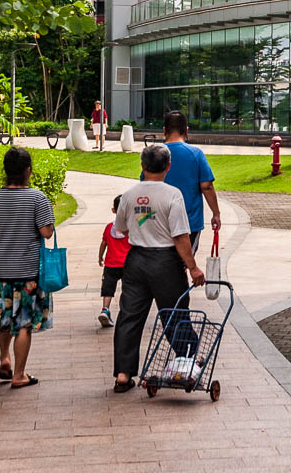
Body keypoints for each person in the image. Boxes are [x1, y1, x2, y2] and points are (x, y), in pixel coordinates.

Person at [112, 144, 205, 393]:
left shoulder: (130, 194)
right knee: (174, 314)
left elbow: (120, 227)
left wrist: (143, 230)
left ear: (142, 166)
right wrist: (193, 268)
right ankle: (187, 362)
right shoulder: (172, 194)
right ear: (168, 166)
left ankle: (123, 374)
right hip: (165, 262)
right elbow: (181, 237)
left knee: (129, 316)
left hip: (136, 261)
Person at [0, 146, 55, 389]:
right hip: (27, 272)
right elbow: (47, 232)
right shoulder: (37, 198)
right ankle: (19, 375)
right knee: (23, 323)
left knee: (3, 316)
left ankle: (4, 359)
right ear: (28, 171)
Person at [162, 111, 221, 251]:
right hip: (189, 223)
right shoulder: (196, 154)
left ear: (164, 130)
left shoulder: (154, 154)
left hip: (159, 222)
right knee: (184, 263)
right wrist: (216, 213)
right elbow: (207, 186)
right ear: (186, 131)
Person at [97, 193, 129, 328]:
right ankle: (127, 311)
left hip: (111, 264)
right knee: (129, 288)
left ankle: (105, 309)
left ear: (113, 210)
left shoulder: (109, 227)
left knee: (108, 288)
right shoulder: (131, 227)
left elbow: (104, 243)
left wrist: (100, 256)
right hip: (128, 264)